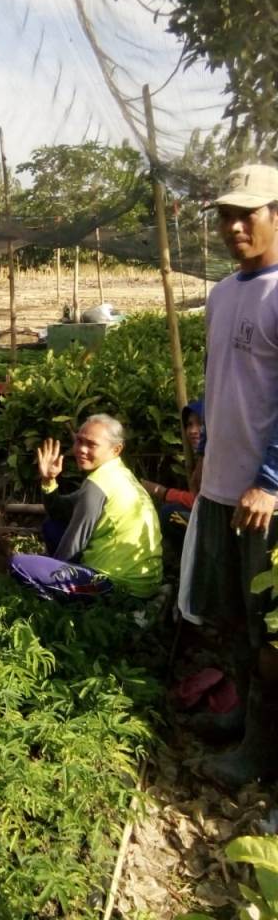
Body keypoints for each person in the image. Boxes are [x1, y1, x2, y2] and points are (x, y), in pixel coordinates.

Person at [187, 164, 278, 786]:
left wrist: (271, 479)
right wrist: (205, 442)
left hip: (264, 500)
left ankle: (262, 752)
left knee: (273, 634)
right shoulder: (222, 294)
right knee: (238, 621)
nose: (235, 226)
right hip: (222, 488)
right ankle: (245, 720)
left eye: (249, 213)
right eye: (226, 215)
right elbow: (223, 387)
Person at [9, 414, 162, 602]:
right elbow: (60, 511)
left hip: (119, 586)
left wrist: (50, 573)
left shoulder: (98, 485)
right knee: (53, 524)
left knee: (18, 565)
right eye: (79, 441)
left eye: (91, 444)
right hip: (144, 583)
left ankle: (59, 607)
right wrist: (48, 480)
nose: (81, 449)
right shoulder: (119, 474)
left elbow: (73, 546)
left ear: (116, 449)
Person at [142, 400, 203, 553]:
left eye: (201, 424)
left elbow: (201, 502)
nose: (193, 430)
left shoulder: (216, 459)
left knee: (170, 513)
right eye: (189, 425)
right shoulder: (202, 458)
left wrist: (163, 493)